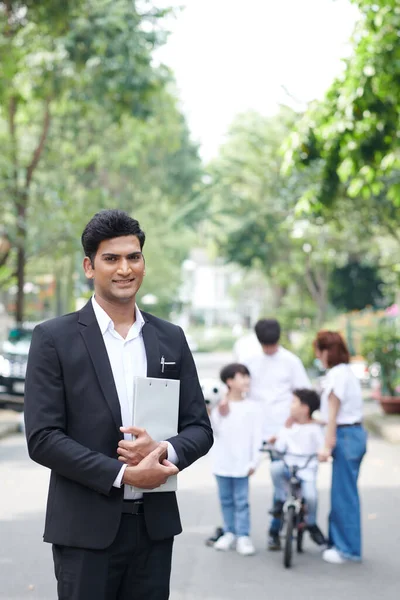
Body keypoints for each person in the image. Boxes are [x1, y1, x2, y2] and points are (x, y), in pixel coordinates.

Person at [24, 209, 213, 600]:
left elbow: (199, 427)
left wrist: (164, 449)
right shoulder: (54, 338)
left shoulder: (170, 338)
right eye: (112, 259)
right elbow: (42, 437)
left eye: (134, 257)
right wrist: (123, 475)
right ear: (89, 267)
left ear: (144, 262)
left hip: (154, 529)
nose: (125, 269)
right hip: (84, 531)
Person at [244, 318, 312, 550]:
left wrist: (295, 420)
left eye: (272, 345)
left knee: (282, 480)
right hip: (257, 430)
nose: (269, 349)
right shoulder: (250, 361)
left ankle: (277, 528)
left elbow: (304, 393)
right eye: (265, 345)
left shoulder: (291, 362)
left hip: (284, 431)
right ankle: (264, 527)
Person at [314, 331, 367, 565]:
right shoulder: (346, 372)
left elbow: (334, 414)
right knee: (345, 492)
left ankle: (347, 549)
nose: (318, 357)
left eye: (318, 352)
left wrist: (327, 445)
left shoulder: (336, 375)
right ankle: (338, 542)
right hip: (354, 434)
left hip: (345, 435)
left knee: (343, 495)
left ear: (326, 352)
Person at [210, 363, 263, 556]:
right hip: (222, 462)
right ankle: (229, 532)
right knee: (226, 500)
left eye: (247, 376)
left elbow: (258, 437)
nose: (246, 380)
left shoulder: (253, 408)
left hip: (242, 463)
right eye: (242, 376)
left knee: (241, 501)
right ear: (229, 381)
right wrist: (215, 412)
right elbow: (213, 431)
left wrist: (254, 461)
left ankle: (243, 535)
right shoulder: (220, 407)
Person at [268, 389, 326, 550]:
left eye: (294, 402)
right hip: (289, 467)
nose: (290, 406)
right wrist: (275, 441)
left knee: (311, 497)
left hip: (307, 470)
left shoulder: (315, 429)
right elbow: (280, 447)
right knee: (275, 467)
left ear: (305, 408)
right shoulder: (288, 427)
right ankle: (280, 500)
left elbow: (322, 448)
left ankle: (311, 524)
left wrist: (322, 454)